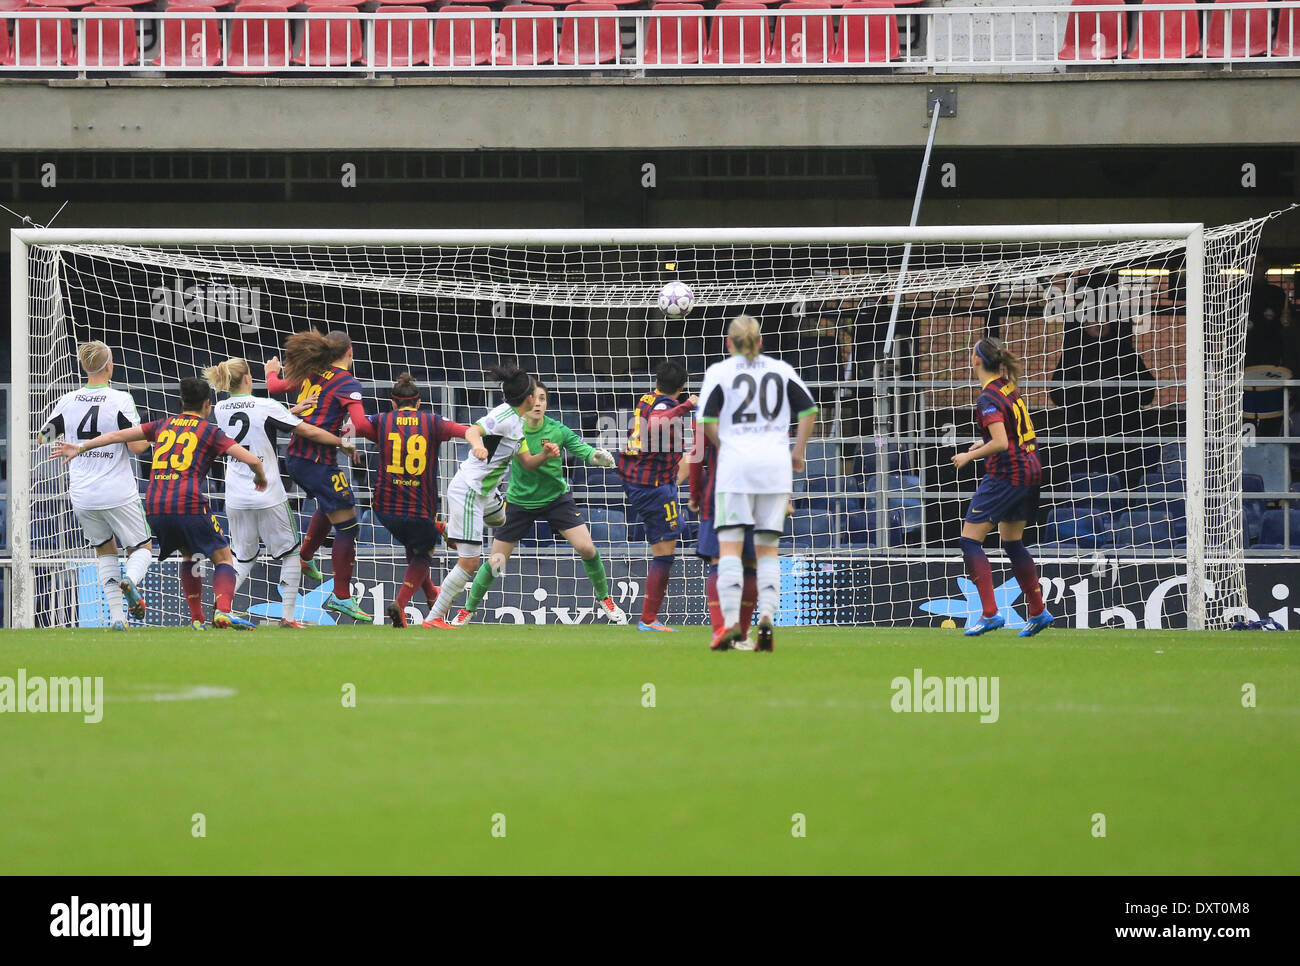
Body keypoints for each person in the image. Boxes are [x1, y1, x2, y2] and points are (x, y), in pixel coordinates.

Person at [54, 376, 268, 630]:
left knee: (192, 554)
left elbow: (115, 435)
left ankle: (197, 619)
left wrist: (80, 448)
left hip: (155, 505)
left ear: (181, 401)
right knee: (223, 557)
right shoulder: (210, 431)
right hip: (187, 502)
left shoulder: (161, 425)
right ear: (208, 405)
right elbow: (252, 459)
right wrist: (260, 477)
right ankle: (222, 611)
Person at [452, 381, 628, 626]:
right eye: (534, 398)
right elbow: (486, 440)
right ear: (526, 401)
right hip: (519, 501)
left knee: (587, 548)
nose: (538, 403)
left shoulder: (557, 429)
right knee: (496, 563)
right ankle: (468, 610)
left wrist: (594, 456)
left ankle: (605, 599)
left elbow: (582, 448)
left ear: (547, 403)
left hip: (556, 499)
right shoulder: (513, 428)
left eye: (543, 398)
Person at [205, 357, 358, 628]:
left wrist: (291, 410)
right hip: (267, 492)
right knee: (290, 553)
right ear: (250, 378)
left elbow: (255, 422)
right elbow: (307, 430)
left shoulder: (221, 408)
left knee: (241, 558)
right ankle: (288, 617)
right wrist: (340, 441)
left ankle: (222, 609)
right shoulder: (266, 406)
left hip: (236, 496)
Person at [697, 315, 819, 652]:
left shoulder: (719, 373)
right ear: (761, 341)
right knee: (767, 551)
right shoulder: (781, 370)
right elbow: (809, 410)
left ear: (729, 343)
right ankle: (766, 619)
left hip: (736, 468)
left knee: (731, 549)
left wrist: (724, 445)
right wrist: (797, 452)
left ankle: (732, 625)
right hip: (774, 467)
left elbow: (706, 419)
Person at [37, 341, 153, 629]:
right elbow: (138, 447)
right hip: (117, 491)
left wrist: (74, 443)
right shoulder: (120, 399)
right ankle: (131, 579)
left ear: (84, 366)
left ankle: (116, 618)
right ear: (110, 365)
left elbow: (44, 437)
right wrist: (153, 436)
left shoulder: (68, 400)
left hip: (82, 493)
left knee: (104, 550)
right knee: (142, 547)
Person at [264, 329, 372, 623]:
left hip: (299, 457)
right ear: (350, 351)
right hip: (316, 460)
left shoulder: (312, 372)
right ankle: (341, 596)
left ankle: (306, 555)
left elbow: (275, 387)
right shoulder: (347, 382)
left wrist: (271, 372)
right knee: (348, 526)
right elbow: (361, 425)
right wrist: (392, 432)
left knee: (332, 504)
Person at [950, 337, 1052, 638]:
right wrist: (984, 441)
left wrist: (970, 455)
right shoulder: (1006, 386)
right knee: (1012, 542)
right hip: (1031, 469)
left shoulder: (987, 398)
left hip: (1008, 474)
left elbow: (1001, 442)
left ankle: (990, 614)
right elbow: (1013, 431)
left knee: (970, 541)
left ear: (977, 361)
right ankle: (1038, 611)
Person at [350, 372, 468, 629]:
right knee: (423, 553)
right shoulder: (432, 422)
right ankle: (400, 605)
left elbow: (358, 426)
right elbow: (463, 431)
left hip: (384, 508)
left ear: (392, 403)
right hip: (419, 507)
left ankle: (431, 595)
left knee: (412, 547)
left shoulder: (381, 420)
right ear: (418, 402)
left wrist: (353, 397)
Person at [424, 364, 535, 628]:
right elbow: (473, 430)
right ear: (529, 397)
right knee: (470, 562)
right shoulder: (504, 415)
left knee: (499, 520)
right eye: (537, 395)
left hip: (486, 492)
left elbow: (526, 460)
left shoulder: (518, 422)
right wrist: (477, 448)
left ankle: (450, 530)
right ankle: (434, 617)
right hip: (470, 490)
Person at [1047, 272, 1155, 487]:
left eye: (1104, 317)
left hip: (1123, 440)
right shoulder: (1072, 355)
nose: (1098, 323)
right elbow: (1057, 394)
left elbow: (1148, 393)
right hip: (1083, 442)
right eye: (1091, 318)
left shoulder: (1125, 355)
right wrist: (1087, 395)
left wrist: (1119, 394)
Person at [616, 359, 697, 632]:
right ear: (682, 387)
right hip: (651, 486)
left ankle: (649, 618)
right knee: (665, 549)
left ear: (656, 382)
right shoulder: (667, 406)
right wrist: (687, 405)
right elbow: (656, 422)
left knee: (694, 453)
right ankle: (648, 619)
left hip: (642, 476)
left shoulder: (648, 397)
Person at [688, 422, 757, 649]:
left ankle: (720, 630)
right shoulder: (767, 398)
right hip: (760, 490)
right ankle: (742, 635)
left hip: (721, 490)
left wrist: (695, 492)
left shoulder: (711, 402)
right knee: (750, 562)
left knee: (720, 558)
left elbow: (697, 453)